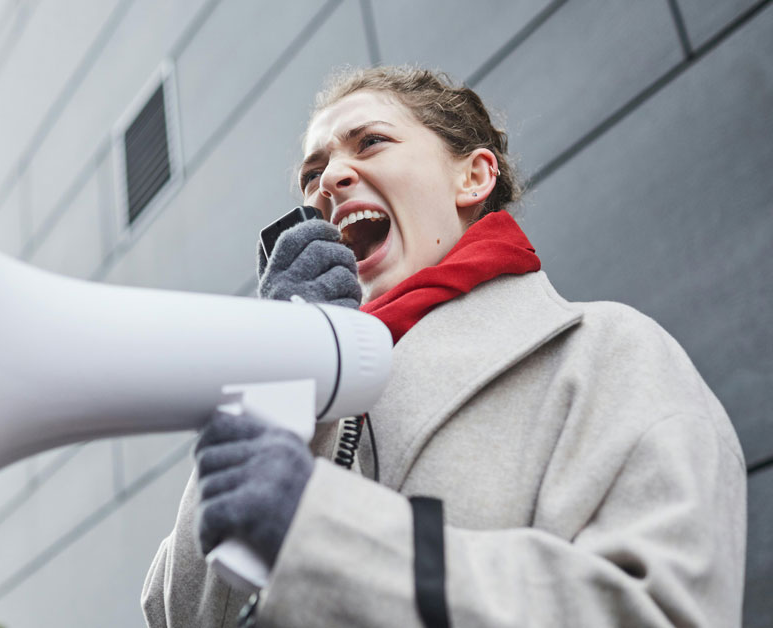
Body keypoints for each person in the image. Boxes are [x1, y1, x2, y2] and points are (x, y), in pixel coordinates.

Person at [141, 65, 746, 627]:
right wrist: (268, 369)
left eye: (370, 141)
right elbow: (181, 614)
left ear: (474, 176)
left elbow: (661, 610)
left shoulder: (606, 352)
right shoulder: (297, 400)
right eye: (311, 174)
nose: (328, 180)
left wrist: (328, 536)